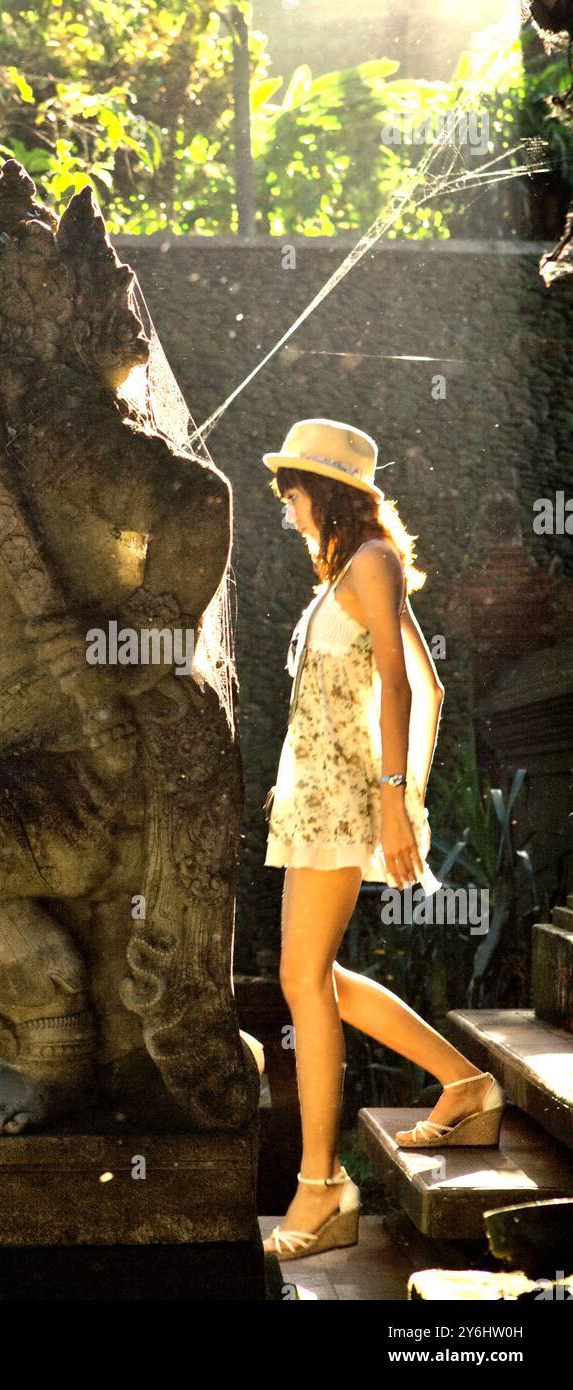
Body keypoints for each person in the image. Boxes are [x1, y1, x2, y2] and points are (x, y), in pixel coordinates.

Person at [260, 418, 505, 1262]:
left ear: (323, 489)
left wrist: (397, 803)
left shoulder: (371, 561)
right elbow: (424, 680)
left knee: (301, 977)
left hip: (342, 802)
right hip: (316, 801)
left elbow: (402, 684)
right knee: (311, 975)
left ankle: (323, 1186)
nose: (284, 503)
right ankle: (467, 1084)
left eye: (291, 487)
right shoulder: (348, 574)